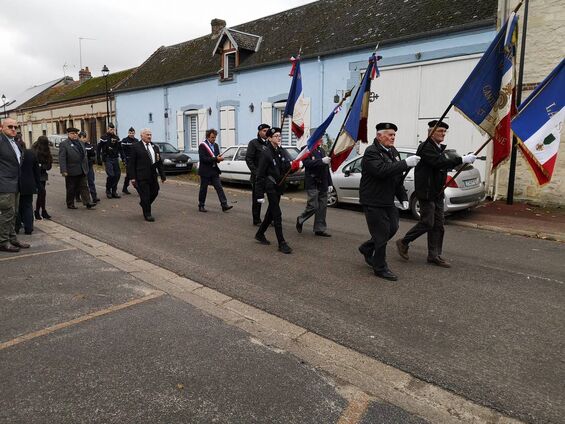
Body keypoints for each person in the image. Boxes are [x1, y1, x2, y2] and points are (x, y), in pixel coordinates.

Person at [396, 120, 476, 268]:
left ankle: (434, 255)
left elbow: (443, 164)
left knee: (439, 225)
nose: (443, 134)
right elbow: (438, 162)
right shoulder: (426, 147)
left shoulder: (438, 148)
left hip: (438, 191)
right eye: (440, 131)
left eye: (445, 132)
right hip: (426, 191)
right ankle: (404, 241)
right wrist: (462, 159)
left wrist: (461, 161)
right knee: (428, 222)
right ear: (431, 132)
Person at [358, 122, 420, 281]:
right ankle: (380, 267)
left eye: (394, 135)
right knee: (381, 233)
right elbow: (381, 171)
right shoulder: (371, 152)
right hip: (372, 200)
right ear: (379, 136)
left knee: (393, 227)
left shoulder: (393, 151)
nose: (393, 138)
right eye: (390, 134)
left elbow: (396, 178)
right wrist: (405, 163)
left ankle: (367, 247)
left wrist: (403, 197)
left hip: (387, 200)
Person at [255, 127, 298, 254]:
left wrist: (295, 167)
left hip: (279, 186)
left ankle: (260, 234)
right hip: (270, 186)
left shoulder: (280, 150)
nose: (279, 138)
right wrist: (259, 194)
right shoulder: (266, 152)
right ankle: (281, 243)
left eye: (280, 135)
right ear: (269, 138)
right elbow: (260, 175)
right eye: (276, 136)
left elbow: (285, 168)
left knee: (270, 213)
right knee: (277, 214)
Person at [0, 118, 30, 252]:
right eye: (10, 126)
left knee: (14, 213)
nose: (13, 129)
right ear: (2, 127)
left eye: (15, 127)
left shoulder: (15, 143)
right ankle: (3, 241)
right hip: (5, 184)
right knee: (7, 213)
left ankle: (12, 238)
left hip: (16, 183)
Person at [127, 128, 166, 221]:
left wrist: (162, 175)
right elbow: (131, 164)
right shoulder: (135, 147)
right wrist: (132, 177)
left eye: (150, 135)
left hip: (153, 175)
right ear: (142, 136)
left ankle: (144, 204)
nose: (149, 136)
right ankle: (147, 214)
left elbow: (159, 162)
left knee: (155, 191)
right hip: (141, 176)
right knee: (145, 195)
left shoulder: (155, 147)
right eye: (147, 135)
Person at [295, 144, 333, 237]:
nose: (321, 139)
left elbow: (326, 168)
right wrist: (321, 161)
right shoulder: (306, 149)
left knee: (322, 207)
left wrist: (330, 183)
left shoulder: (322, 150)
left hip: (323, 182)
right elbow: (307, 163)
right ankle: (300, 219)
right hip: (312, 182)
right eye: (320, 136)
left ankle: (319, 229)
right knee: (313, 206)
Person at [59, 127, 96, 210]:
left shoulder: (80, 143)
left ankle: (87, 202)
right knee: (71, 187)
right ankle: (70, 203)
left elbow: (84, 155)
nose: (74, 135)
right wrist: (63, 170)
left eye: (76, 133)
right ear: (68, 134)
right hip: (71, 169)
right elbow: (62, 158)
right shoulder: (64, 144)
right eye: (72, 133)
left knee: (84, 186)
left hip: (82, 168)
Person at [197, 129, 233, 212]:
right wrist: (216, 158)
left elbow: (215, 157)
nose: (214, 139)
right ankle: (201, 205)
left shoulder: (216, 145)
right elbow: (203, 159)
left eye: (215, 137)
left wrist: (219, 159)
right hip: (205, 171)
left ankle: (224, 205)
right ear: (208, 137)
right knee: (203, 189)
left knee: (219, 187)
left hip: (214, 170)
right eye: (212, 137)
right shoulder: (202, 146)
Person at [245, 123, 270, 225]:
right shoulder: (254, 143)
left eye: (267, 131)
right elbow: (249, 159)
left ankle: (270, 218)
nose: (266, 132)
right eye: (264, 131)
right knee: (257, 199)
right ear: (259, 132)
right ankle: (256, 219)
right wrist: (256, 172)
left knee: (272, 199)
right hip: (258, 177)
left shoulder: (270, 143)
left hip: (269, 176)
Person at [15, 140, 40, 235]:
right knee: (28, 206)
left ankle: (16, 228)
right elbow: (36, 171)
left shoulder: (13, 154)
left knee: (16, 207)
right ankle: (29, 228)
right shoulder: (31, 154)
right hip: (29, 184)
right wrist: (38, 184)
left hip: (16, 184)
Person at [97, 123, 124, 199]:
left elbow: (120, 149)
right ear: (107, 129)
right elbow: (98, 148)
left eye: (113, 129)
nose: (112, 130)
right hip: (107, 158)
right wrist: (98, 158)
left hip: (115, 158)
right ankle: (108, 190)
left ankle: (114, 191)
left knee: (117, 175)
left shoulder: (116, 138)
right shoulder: (103, 137)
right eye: (110, 129)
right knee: (111, 175)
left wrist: (123, 158)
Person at [32, 135, 53, 220]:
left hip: (43, 175)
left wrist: (43, 166)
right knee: (41, 193)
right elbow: (35, 165)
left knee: (42, 194)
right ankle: (39, 211)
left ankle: (41, 211)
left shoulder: (46, 150)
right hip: (35, 175)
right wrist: (41, 166)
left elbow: (48, 165)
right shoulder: (35, 151)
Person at [79, 131, 99, 203]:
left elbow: (93, 153)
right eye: (83, 137)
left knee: (91, 181)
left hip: (89, 166)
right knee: (82, 183)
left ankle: (94, 197)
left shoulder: (89, 145)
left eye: (85, 137)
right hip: (81, 167)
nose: (85, 139)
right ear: (80, 137)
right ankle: (78, 196)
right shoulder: (78, 145)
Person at [121, 127, 139, 194]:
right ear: (128, 133)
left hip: (135, 160)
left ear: (134, 133)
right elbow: (122, 151)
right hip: (128, 160)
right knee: (130, 174)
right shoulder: (125, 140)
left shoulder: (136, 141)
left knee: (130, 175)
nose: (131, 134)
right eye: (130, 133)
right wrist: (124, 159)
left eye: (133, 133)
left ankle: (124, 188)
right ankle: (138, 189)